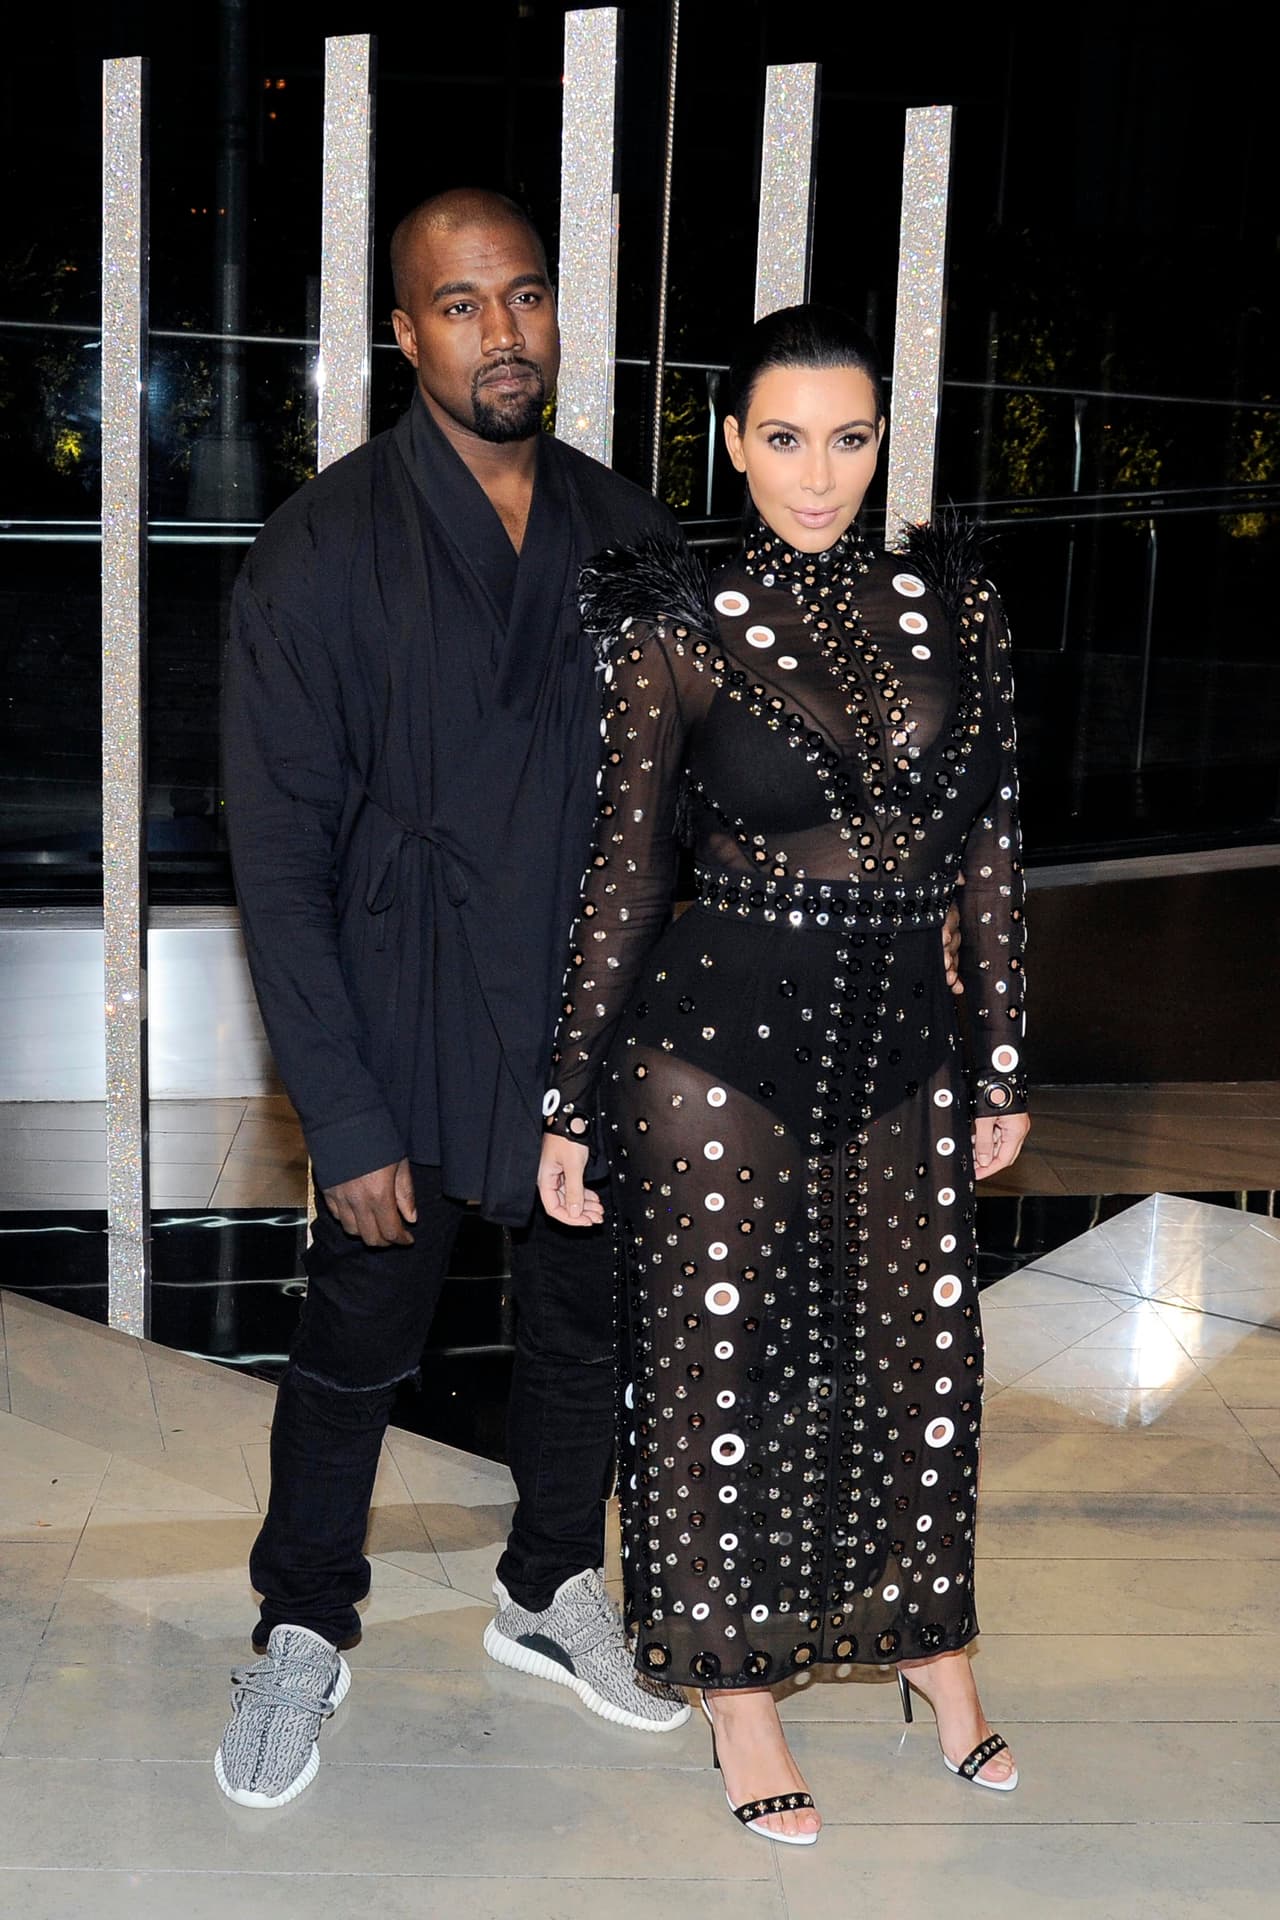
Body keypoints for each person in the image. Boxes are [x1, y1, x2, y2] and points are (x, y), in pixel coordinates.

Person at [214, 188, 696, 1809]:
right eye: (463, 303)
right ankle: (301, 1623)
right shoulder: (320, 546)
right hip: (402, 1003)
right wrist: (341, 1112)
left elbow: (687, 806)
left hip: (587, 1014)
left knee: (580, 1334)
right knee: (356, 1341)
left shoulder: (629, 532)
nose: (504, 332)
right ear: (404, 331)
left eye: (527, 297)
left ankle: (550, 1587)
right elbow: (278, 860)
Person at [538, 303, 1030, 1844]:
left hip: (904, 1045)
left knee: (924, 1363)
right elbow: (626, 870)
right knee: (715, 1369)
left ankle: (931, 1646)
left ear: (882, 443)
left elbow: (994, 848)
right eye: (786, 439)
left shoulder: (958, 604)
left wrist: (1004, 1053)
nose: (819, 476)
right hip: (712, 1048)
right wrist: (569, 1096)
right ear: (733, 444)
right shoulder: (677, 618)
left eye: (849, 439)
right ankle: (736, 1692)